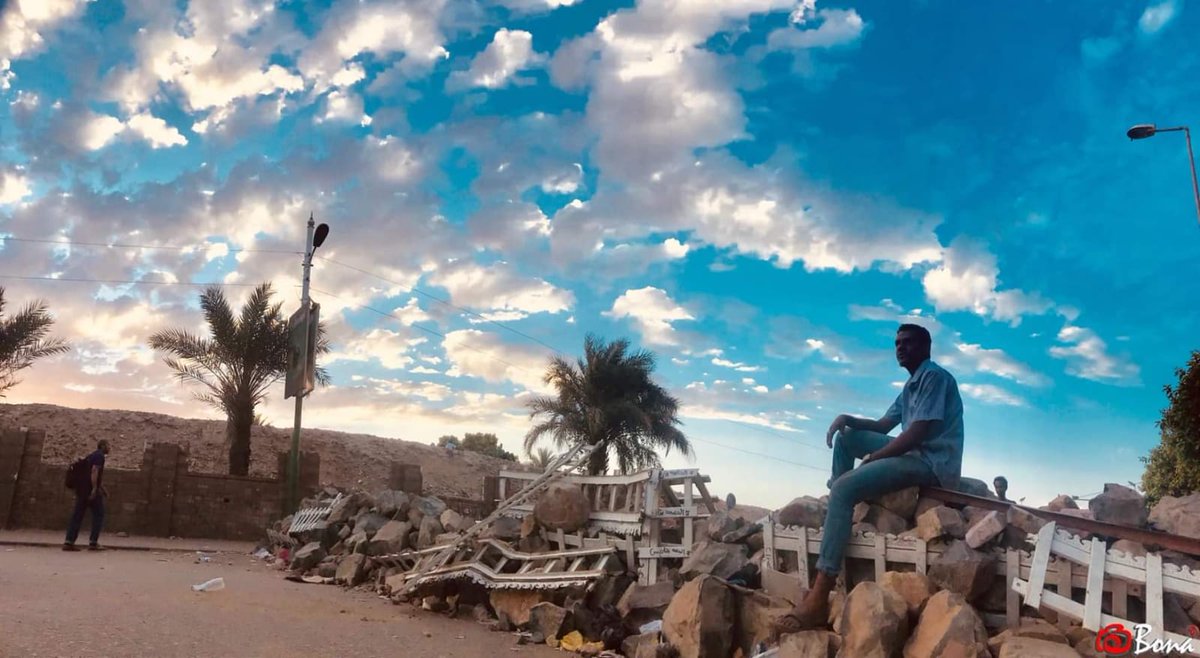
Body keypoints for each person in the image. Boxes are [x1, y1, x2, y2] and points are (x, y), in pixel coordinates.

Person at [774, 323, 964, 634]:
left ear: (925, 347)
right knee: (847, 438)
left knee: (844, 489)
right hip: (911, 453)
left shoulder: (934, 377)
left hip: (930, 462)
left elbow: (917, 433)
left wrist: (877, 457)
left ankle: (819, 597)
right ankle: (837, 510)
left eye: (907, 342)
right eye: (897, 343)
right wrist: (847, 419)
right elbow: (883, 425)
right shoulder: (910, 386)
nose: (900, 348)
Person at [63, 439, 110, 551]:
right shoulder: (99, 456)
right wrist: (94, 489)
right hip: (90, 491)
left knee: (77, 515)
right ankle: (93, 542)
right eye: (108, 446)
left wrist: (103, 489)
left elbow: (92, 473)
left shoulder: (91, 456)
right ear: (103, 446)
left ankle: (69, 542)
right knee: (99, 514)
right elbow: (94, 471)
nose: (109, 448)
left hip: (82, 490)